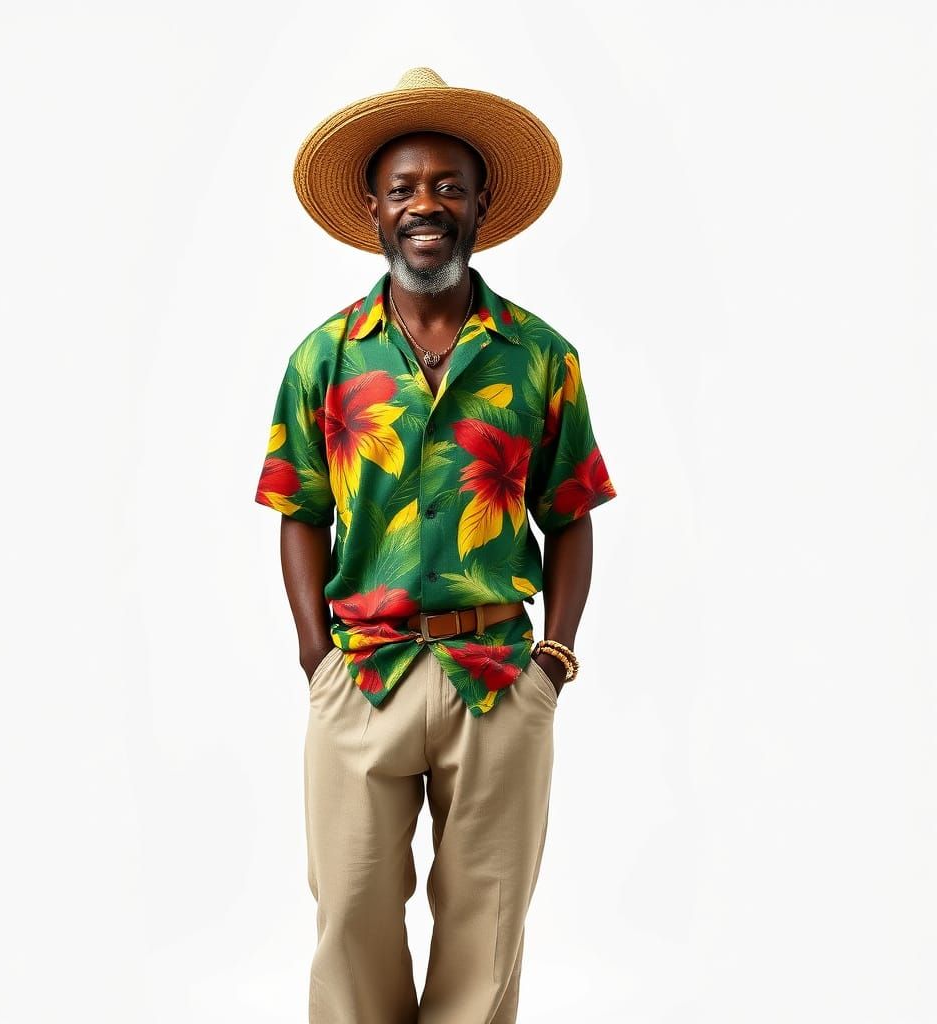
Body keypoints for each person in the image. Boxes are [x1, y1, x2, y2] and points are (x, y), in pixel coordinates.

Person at [255, 67, 618, 1024]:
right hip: (362, 671)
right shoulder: (324, 359)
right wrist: (314, 657)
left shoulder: (539, 356)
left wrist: (556, 658)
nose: (427, 204)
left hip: (498, 672)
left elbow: (572, 511)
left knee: (486, 930)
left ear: (480, 203)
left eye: (448, 185)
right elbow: (297, 508)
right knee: (351, 924)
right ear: (373, 207)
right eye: (406, 187)